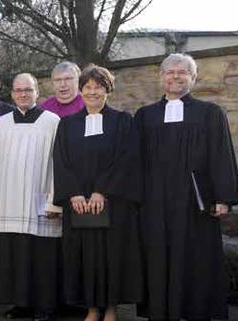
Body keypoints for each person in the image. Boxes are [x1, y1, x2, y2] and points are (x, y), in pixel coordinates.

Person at [136, 53, 238, 321]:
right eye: (170, 72)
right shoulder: (144, 116)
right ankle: (159, 312)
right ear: (160, 77)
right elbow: (133, 161)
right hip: (154, 202)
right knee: (157, 256)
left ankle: (196, 312)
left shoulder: (210, 113)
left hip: (196, 203)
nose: (175, 76)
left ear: (193, 78)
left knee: (196, 258)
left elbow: (221, 155)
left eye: (182, 72)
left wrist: (222, 197)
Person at [53, 64, 143, 321]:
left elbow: (127, 159)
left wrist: (101, 191)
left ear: (108, 90)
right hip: (80, 205)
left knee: (112, 256)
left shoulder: (123, 121)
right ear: (81, 90)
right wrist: (74, 194)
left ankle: (112, 309)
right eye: (88, 87)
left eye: (99, 87)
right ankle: (92, 309)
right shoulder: (68, 124)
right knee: (85, 257)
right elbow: (61, 160)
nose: (93, 92)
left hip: (113, 204)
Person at [0, 73, 63, 321]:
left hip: (38, 201)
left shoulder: (52, 121)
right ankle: (20, 303)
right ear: (12, 94)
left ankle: (43, 306)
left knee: (40, 256)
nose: (23, 94)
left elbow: (58, 163)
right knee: (13, 256)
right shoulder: (1, 124)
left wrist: (55, 201)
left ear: (37, 92)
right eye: (19, 90)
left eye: (28, 90)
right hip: (7, 202)